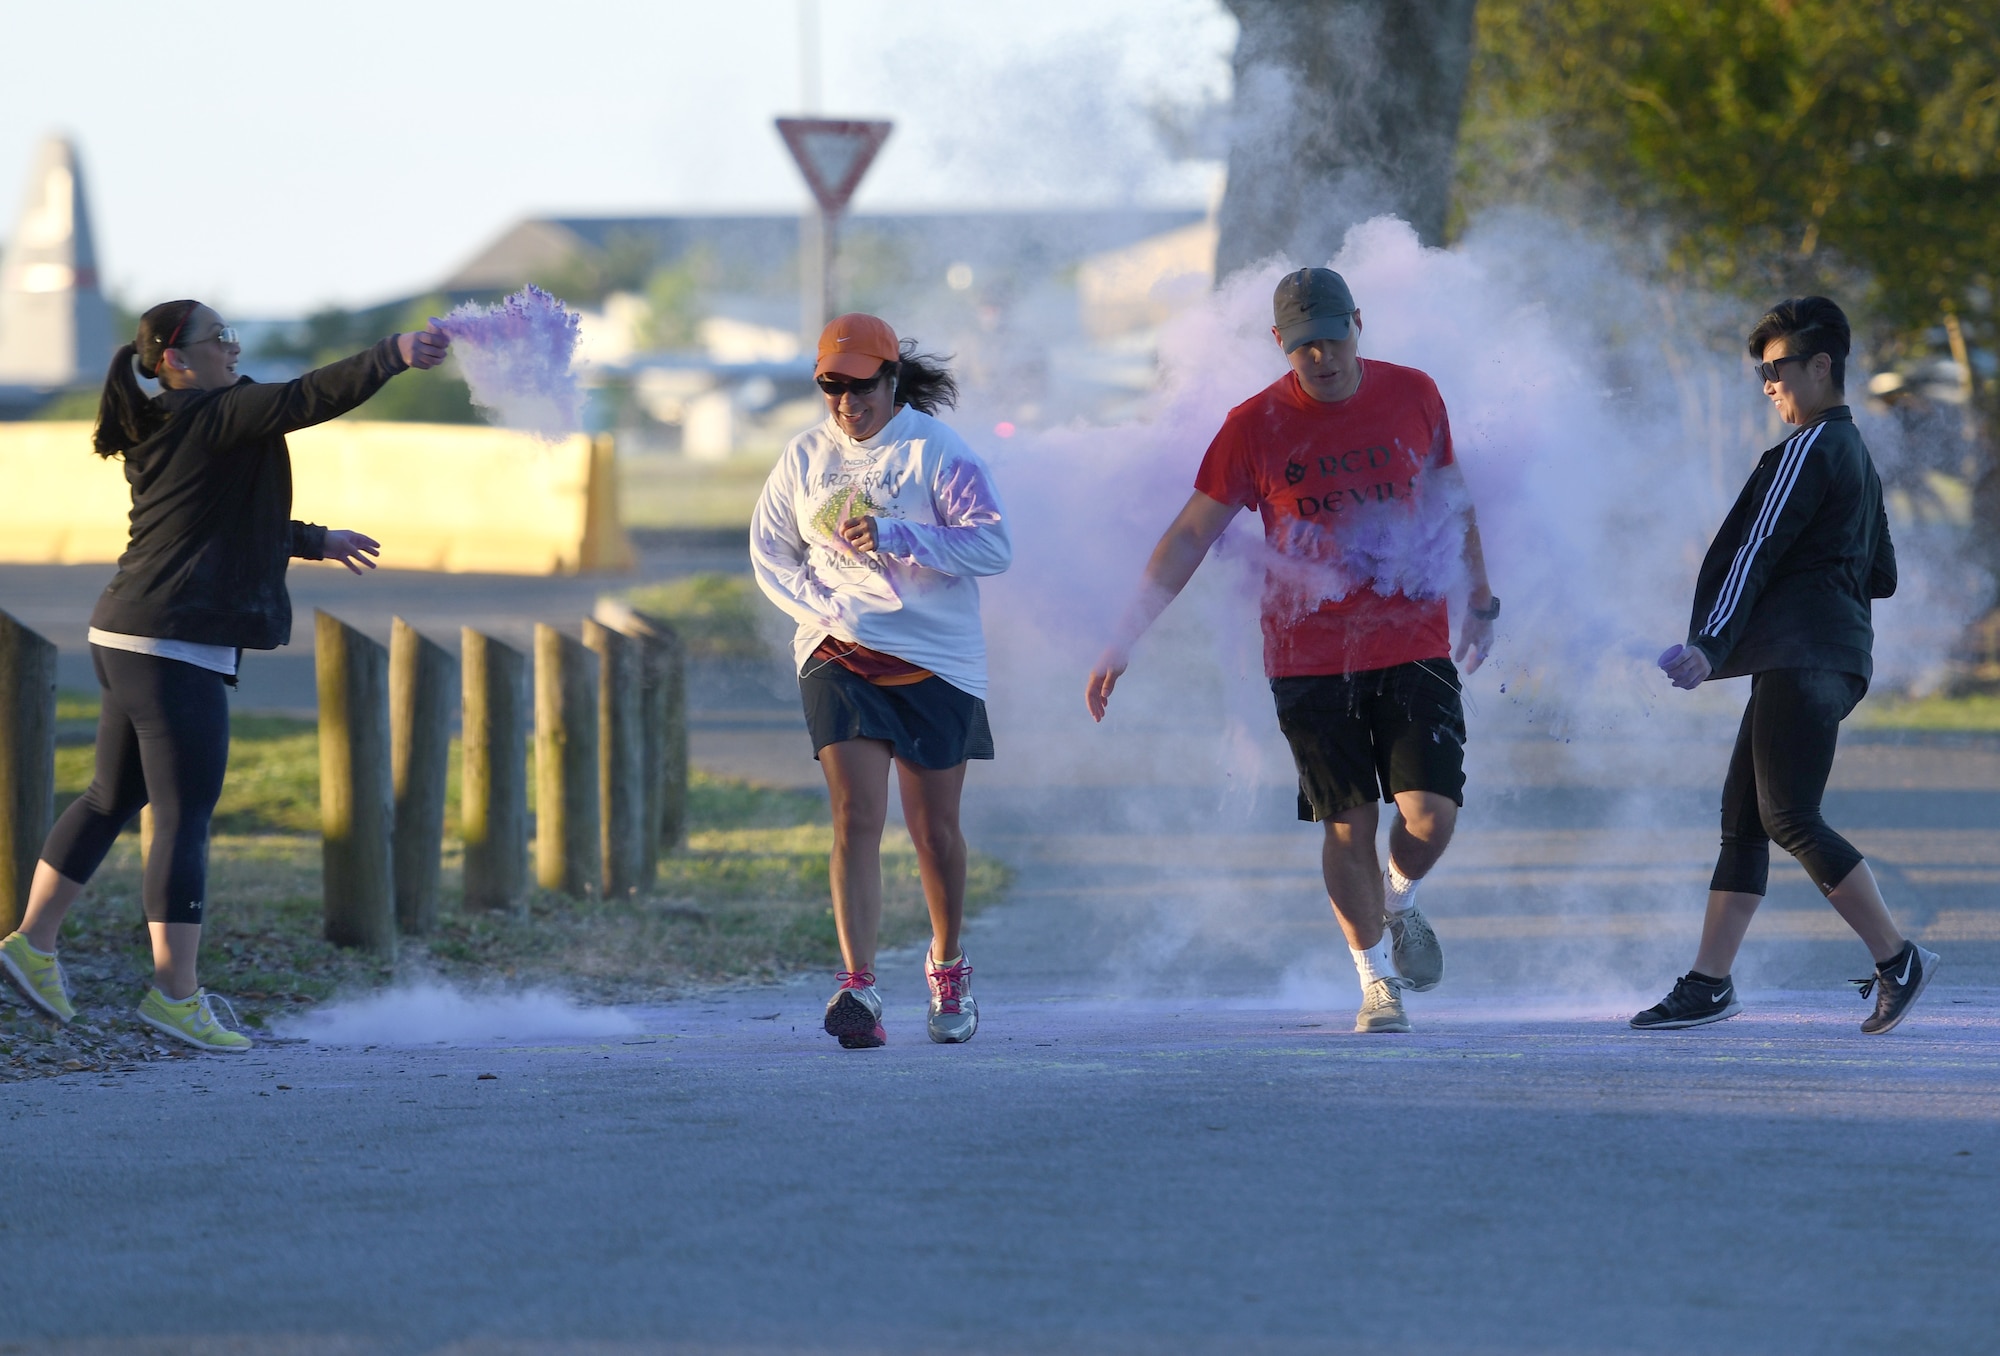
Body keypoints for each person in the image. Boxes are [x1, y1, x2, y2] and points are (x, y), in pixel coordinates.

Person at [0, 301, 448, 1051]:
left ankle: (30, 945)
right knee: (180, 816)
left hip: (124, 631)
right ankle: (175, 996)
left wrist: (312, 538)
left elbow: (210, 520)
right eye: (219, 338)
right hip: (174, 645)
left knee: (111, 796)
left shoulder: (166, 421)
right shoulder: (216, 413)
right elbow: (310, 396)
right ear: (177, 358)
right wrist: (393, 352)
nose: (234, 348)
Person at [1086, 267, 1496, 1034]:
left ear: (1357, 325)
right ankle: (1376, 982)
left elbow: (1453, 495)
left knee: (1431, 814)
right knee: (1349, 822)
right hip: (1307, 653)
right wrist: (1124, 634)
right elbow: (1188, 537)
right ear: (1281, 345)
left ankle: (1399, 901)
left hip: (1412, 637)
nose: (1323, 359)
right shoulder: (1253, 427)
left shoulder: (1413, 393)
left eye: (1333, 339)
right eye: (1304, 346)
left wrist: (1480, 595)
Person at [1636, 296, 1933, 1035]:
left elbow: (1754, 551)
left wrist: (1709, 642)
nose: (1767, 385)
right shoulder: (1854, 452)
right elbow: (1883, 572)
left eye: (1776, 369)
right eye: (1760, 374)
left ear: (1821, 366)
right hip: (1824, 655)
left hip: (1805, 654)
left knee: (1787, 814)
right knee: (1745, 819)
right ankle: (1709, 983)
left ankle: (1898, 959)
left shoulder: (1809, 448)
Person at [751, 313, 1011, 1049]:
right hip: (840, 652)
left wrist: (901, 535)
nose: (845, 403)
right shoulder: (804, 458)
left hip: (935, 659)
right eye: (830, 387)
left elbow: (993, 544)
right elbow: (771, 552)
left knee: (934, 832)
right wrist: (828, 611)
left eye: (860, 386)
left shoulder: (935, 451)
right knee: (853, 817)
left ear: (890, 379)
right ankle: (858, 987)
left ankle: (948, 964)